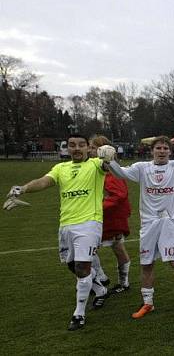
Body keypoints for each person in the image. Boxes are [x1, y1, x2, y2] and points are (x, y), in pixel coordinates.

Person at [6, 134, 110, 331]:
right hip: (66, 225)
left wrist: (109, 157)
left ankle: (79, 314)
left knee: (81, 267)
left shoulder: (96, 164)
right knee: (72, 265)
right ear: (67, 149)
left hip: (89, 223)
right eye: (72, 145)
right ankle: (99, 287)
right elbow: (44, 181)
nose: (77, 149)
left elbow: (107, 165)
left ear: (88, 148)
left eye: (81, 145)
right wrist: (24, 188)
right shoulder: (60, 168)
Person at [108, 115, 174, 319]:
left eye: (165, 148)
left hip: (170, 222)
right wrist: (108, 161)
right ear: (151, 151)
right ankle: (148, 303)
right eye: (158, 148)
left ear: (170, 151)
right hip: (149, 223)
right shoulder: (142, 168)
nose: (162, 151)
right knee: (147, 264)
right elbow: (120, 173)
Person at [88, 135, 132, 294]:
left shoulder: (110, 169)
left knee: (90, 247)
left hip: (111, 217)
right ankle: (104, 279)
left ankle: (106, 279)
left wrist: (96, 207)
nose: (89, 150)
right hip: (106, 216)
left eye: (93, 147)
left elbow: (119, 195)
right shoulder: (97, 166)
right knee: (98, 247)